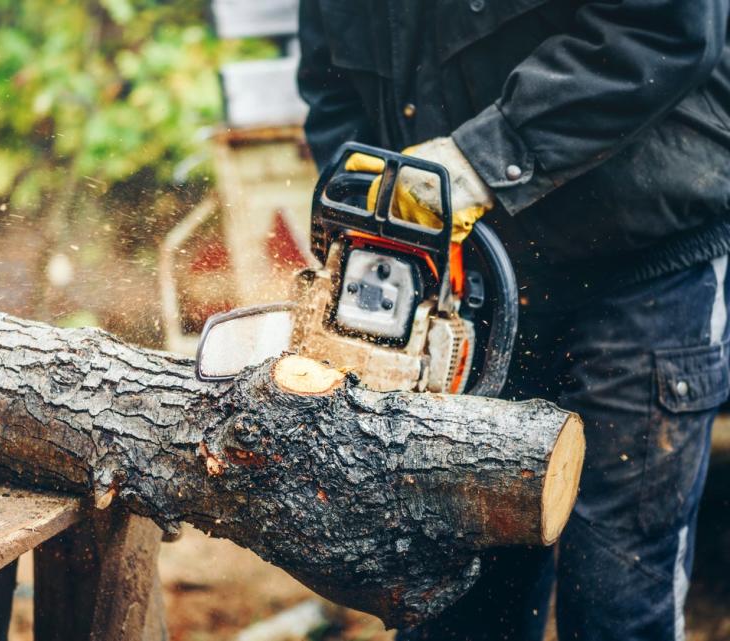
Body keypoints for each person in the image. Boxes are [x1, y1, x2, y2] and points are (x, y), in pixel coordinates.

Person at [297, 2, 730, 640]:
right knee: (456, 600)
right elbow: (333, 89)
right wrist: (374, 214)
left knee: (614, 601)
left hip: (639, 265)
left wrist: (480, 159)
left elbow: (663, 26)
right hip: (470, 296)